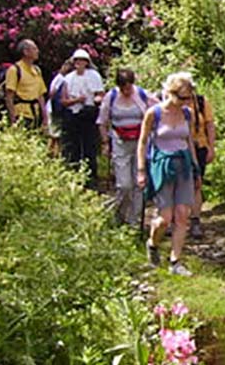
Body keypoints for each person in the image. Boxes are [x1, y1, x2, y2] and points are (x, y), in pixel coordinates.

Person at [137, 72, 199, 276]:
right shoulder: (153, 114)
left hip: (184, 165)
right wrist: (141, 170)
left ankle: (175, 261)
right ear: (170, 93)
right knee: (165, 218)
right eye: (182, 97)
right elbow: (143, 142)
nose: (186, 101)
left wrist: (196, 168)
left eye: (188, 97)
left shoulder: (187, 114)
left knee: (182, 215)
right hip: (161, 165)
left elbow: (189, 140)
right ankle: (152, 243)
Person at [97, 68, 156, 227]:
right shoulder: (111, 97)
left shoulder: (142, 95)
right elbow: (102, 121)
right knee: (124, 184)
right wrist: (104, 143)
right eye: (124, 88)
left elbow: (158, 110)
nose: (127, 91)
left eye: (129, 87)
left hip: (140, 142)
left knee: (139, 183)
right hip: (120, 142)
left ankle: (134, 221)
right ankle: (120, 213)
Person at [60, 48, 104, 187]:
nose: (80, 63)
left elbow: (100, 94)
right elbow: (64, 101)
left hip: (89, 114)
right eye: (77, 61)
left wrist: (96, 100)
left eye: (83, 61)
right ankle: (75, 177)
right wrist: (77, 100)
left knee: (90, 147)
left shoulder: (94, 76)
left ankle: (92, 179)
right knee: (74, 148)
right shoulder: (68, 78)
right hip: (73, 115)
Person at [185, 78, 216, 240]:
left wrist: (211, 146)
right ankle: (174, 220)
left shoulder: (202, 103)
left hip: (199, 146)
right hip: (179, 149)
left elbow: (210, 125)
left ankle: (195, 220)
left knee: (197, 183)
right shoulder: (173, 103)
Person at [3, 39, 47, 130]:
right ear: (26, 52)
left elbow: (40, 96)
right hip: (21, 114)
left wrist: (45, 117)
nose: (37, 51)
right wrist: (13, 120)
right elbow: (9, 96)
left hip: (36, 114)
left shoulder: (37, 70)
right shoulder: (14, 70)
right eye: (34, 48)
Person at [45, 59, 74, 155]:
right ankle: (52, 155)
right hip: (54, 109)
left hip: (55, 108)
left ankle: (53, 155)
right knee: (55, 135)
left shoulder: (59, 78)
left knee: (55, 134)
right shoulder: (61, 79)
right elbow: (52, 93)